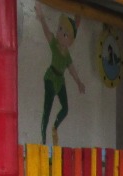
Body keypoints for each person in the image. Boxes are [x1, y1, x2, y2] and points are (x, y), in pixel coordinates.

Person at [36, 3, 86, 146]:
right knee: (47, 109)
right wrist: (42, 18)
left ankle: (55, 127)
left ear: (70, 40)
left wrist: (79, 82)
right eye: (59, 29)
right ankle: (43, 139)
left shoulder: (67, 54)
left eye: (64, 33)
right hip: (51, 78)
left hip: (60, 80)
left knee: (65, 108)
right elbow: (47, 33)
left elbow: (71, 69)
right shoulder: (55, 45)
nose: (59, 33)